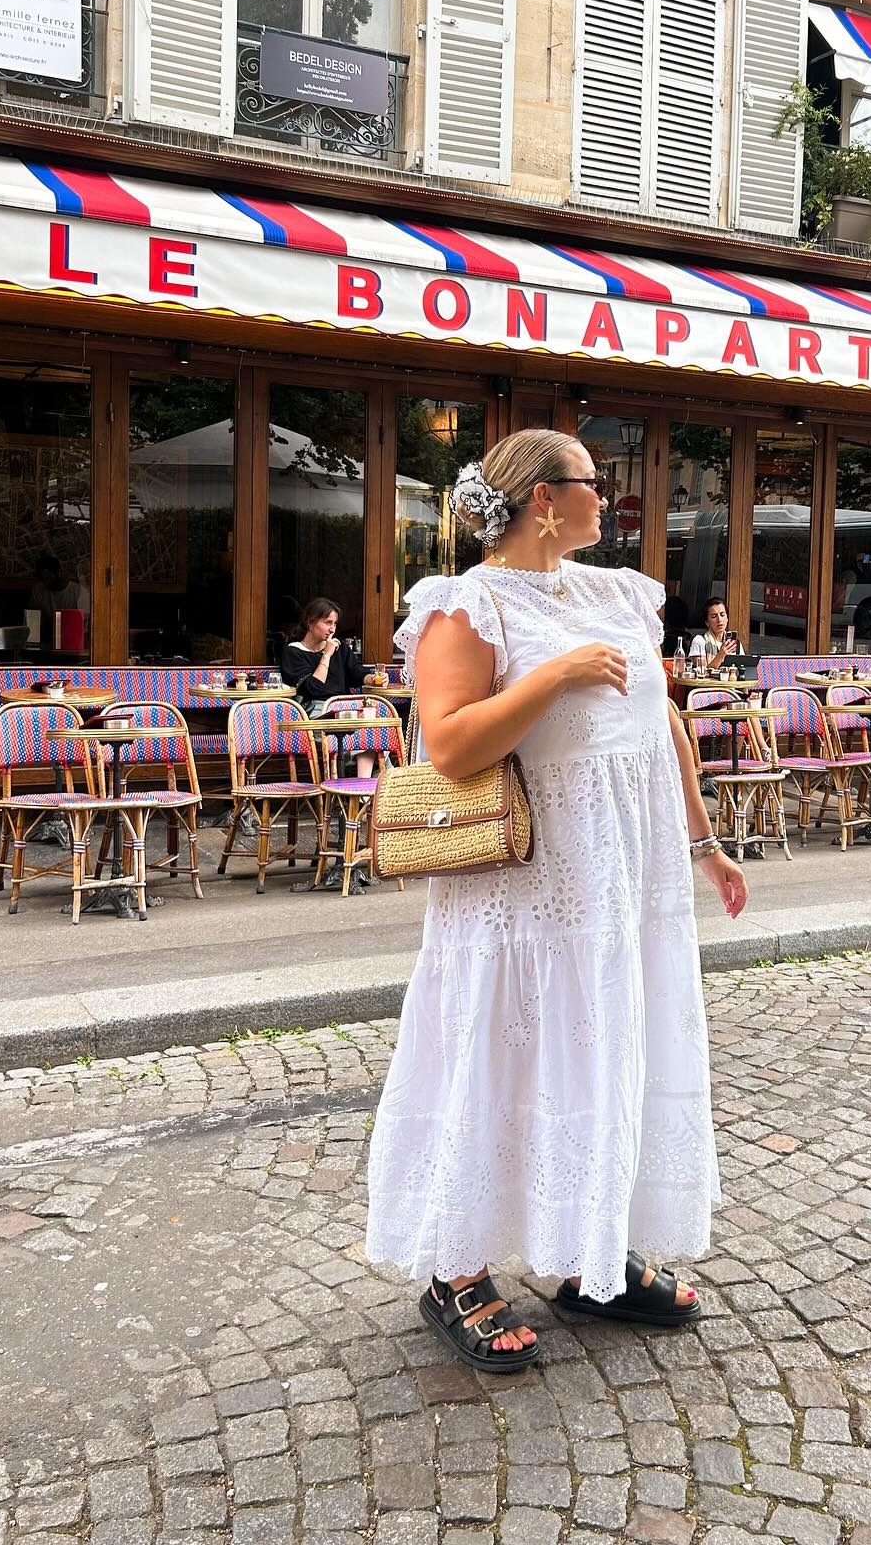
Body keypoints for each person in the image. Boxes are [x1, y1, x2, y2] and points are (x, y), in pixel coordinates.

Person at [365, 429, 748, 1368]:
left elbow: (659, 720)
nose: (605, 496)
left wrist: (705, 842)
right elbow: (448, 744)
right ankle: (456, 1272)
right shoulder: (470, 604)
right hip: (524, 896)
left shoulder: (616, 592)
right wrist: (552, 675)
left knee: (610, 1046)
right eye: (592, 482)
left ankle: (589, 1250)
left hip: (623, 882)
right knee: (499, 1054)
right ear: (544, 497)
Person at [280, 598, 365, 706]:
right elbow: (313, 688)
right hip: (313, 709)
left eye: (334, 624)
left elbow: (356, 672)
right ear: (310, 623)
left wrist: (373, 679)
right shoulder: (293, 652)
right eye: (328, 623)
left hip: (343, 706)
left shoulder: (340, 648)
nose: (332, 630)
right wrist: (326, 655)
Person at [27, 552, 89, 624]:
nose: (45, 583)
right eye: (42, 579)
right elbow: (32, 615)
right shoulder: (39, 589)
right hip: (49, 631)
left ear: (58, 573)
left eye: (48, 578)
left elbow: (84, 620)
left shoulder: (77, 591)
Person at [691, 596, 744, 671]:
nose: (719, 620)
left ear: (727, 618)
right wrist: (721, 655)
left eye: (722, 615)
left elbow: (743, 669)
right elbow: (702, 672)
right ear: (707, 622)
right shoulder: (699, 641)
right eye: (714, 616)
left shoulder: (735, 643)